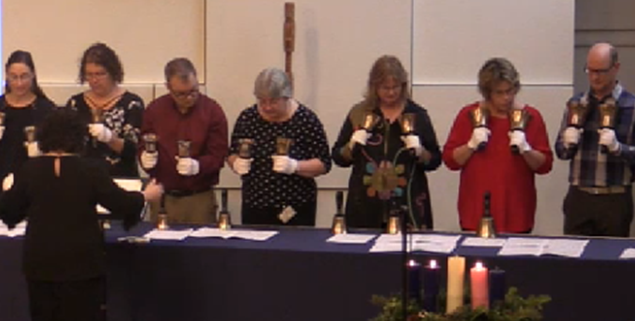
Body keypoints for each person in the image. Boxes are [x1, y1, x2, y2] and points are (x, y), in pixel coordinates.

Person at [0, 108, 163, 321]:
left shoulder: (30, 170)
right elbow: (121, 203)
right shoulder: (91, 169)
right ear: (78, 137)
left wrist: (8, 188)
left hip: (41, 257)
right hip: (81, 258)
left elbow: (7, 210)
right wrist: (147, 195)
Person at [442, 58, 553, 234]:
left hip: (517, 214)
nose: (506, 98)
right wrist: (470, 145)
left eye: (510, 91)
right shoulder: (469, 115)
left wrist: (526, 149)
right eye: (499, 93)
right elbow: (450, 161)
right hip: (475, 213)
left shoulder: (530, 117)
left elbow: (545, 165)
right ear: (487, 93)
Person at [554, 43, 635, 237]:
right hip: (579, 196)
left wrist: (618, 148)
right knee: (573, 260)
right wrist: (567, 142)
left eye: (600, 71)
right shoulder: (576, 103)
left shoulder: (634, 106)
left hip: (614, 198)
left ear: (616, 68)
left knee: (611, 261)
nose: (594, 77)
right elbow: (561, 152)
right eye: (590, 70)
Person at [331, 55, 441, 230]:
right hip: (366, 205)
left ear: (403, 86)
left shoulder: (417, 115)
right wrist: (351, 145)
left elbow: (435, 160)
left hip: (408, 203)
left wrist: (420, 152)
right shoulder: (360, 113)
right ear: (374, 87)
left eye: (395, 87)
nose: (391, 92)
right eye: (385, 88)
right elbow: (338, 157)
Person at [228, 68, 331, 226]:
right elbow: (232, 152)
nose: (267, 107)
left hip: (295, 207)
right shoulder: (248, 118)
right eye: (262, 101)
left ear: (287, 97)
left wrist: (295, 166)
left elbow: (324, 163)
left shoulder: (305, 120)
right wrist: (235, 162)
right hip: (255, 205)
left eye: (273, 101)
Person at [139, 58, 228, 225]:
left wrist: (198, 166)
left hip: (199, 198)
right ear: (168, 88)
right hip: (162, 195)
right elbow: (144, 143)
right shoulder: (155, 110)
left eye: (194, 91)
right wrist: (144, 156)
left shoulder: (212, 111)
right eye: (181, 93)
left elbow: (219, 155)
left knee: (200, 248)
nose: (189, 98)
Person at [0, 50, 56, 215]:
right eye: (14, 77)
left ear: (33, 75)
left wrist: (40, 153)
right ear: (6, 76)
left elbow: (56, 155)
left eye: (24, 76)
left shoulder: (46, 108)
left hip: (35, 184)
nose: (19, 83)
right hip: (0, 181)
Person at [67, 43, 144, 179]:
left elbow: (134, 151)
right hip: (83, 179)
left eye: (100, 74)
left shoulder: (132, 104)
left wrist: (110, 139)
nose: (94, 80)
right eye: (89, 75)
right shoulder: (75, 104)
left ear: (113, 72)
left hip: (120, 179)